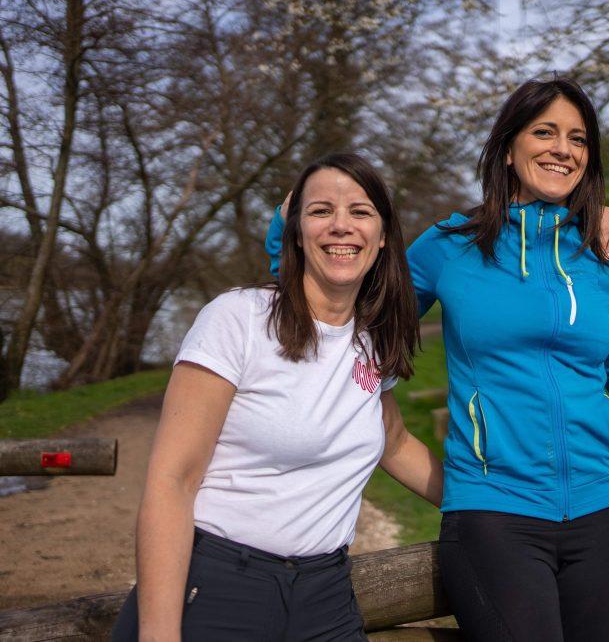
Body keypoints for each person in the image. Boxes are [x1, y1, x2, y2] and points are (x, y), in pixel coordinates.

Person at [265, 76, 609, 641]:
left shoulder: (606, 253)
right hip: (494, 515)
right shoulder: (451, 245)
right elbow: (349, 304)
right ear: (509, 148)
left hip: (604, 510)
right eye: (544, 132)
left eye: (578, 138)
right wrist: (289, 226)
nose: (562, 149)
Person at [114, 153, 443, 642]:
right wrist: (159, 634)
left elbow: (392, 441)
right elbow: (172, 482)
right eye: (319, 211)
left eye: (359, 211)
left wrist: (485, 503)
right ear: (295, 232)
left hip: (326, 594)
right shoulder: (238, 318)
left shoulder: (371, 340)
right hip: (220, 584)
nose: (340, 226)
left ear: (382, 235)